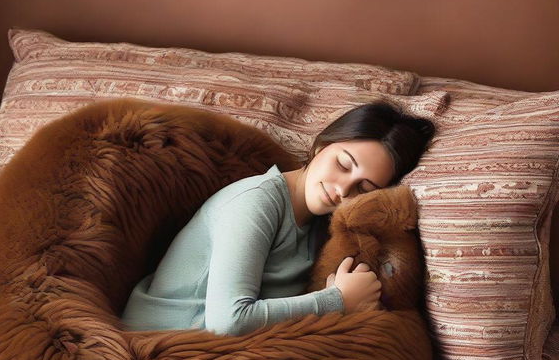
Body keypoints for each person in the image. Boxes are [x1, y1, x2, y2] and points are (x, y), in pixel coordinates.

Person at [120, 100, 435, 336]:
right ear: (321, 145)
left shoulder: (321, 226)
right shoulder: (256, 202)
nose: (342, 190)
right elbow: (230, 320)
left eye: (363, 188)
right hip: (160, 342)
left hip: (222, 353)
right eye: (342, 164)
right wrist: (336, 300)